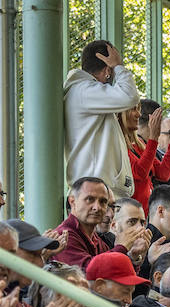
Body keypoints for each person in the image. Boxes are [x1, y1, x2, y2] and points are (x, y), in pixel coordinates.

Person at [63, 40, 141, 199]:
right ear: (107, 70)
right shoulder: (85, 91)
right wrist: (118, 66)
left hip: (97, 188)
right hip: (94, 191)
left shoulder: (85, 91)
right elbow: (129, 96)